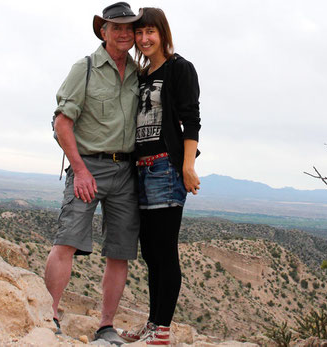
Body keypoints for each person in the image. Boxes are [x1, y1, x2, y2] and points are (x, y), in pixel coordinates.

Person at [43, 3, 142, 345]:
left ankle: (106, 327)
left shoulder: (137, 73)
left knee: (120, 251)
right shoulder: (83, 69)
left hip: (127, 170)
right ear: (103, 31)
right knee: (67, 240)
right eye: (117, 27)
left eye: (130, 28)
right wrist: (81, 170)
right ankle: (50, 315)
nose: (124, 33)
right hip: (89, 166)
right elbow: (62, 123)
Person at [120, 7, 201, 345]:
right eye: (139, 33)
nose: (143, 38)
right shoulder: (141, 75)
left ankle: (162, 331)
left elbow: (191, 117)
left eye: (150, 31)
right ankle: (154, 324)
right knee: (151, 251)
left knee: (165, 251)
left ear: (163, 33)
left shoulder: (180, 68)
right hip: (140, 170)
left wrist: (187, 165)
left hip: (166, 168)